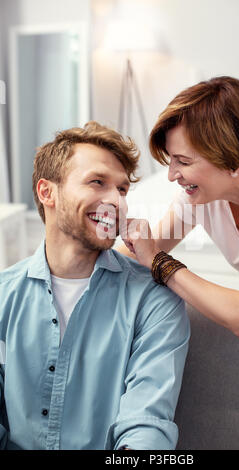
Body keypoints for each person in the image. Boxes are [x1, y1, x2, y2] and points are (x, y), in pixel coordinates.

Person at [0, 121, 189, 450]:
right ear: (48, 192)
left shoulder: (155, 301)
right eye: (97, 182)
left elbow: (146, 423)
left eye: (122, 189)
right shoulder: (5, 296)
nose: (115, 202)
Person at [119, 76, 239, 338]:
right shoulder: (203, 195)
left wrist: (161, 263)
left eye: (183, 161)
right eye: (171, 160)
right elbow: (138, 252)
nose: (171, 176)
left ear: (232, 159)